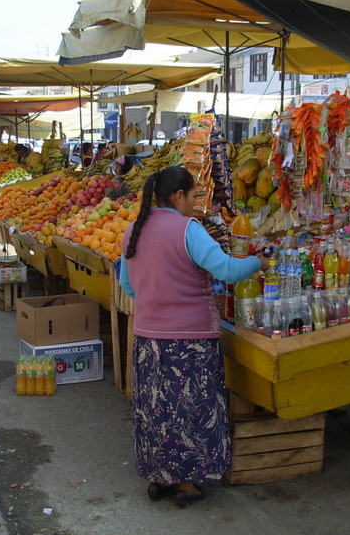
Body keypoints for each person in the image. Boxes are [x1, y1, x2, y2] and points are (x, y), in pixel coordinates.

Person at [119, 166, 268, 507]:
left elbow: (127, 284)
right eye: (193, 195)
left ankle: (159, 478)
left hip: (148, 340)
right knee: (189, 412)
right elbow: (228, 270)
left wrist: (156, 302)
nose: (196, 202)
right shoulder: (189, 229)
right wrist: (258, 262)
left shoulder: (133, 230)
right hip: (190, 341)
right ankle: (187, 485)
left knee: (156, 411)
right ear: (177, 196)